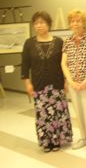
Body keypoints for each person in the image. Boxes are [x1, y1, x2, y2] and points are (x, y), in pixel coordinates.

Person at [21, 11, 73, 152]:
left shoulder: (58, 42)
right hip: (39, 85)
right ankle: (46, 141)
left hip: (56, 84)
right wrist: (27, 83)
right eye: (36, 23)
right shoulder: (29, 43)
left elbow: (64, 64)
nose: (39, 25)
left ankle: (57, 140)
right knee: (43, 114)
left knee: (58, 113)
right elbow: (25, 65)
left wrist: (66, 81)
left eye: (42, 22)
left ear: (48, 24)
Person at [61, 9, 86, 153]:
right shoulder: (67, 41)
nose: (75, 23)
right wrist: (70, 81)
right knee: (79, 111)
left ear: (84, 22)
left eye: (78, 20)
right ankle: (84, 137)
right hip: (74, 84)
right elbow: (63, 63)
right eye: (72, 21)